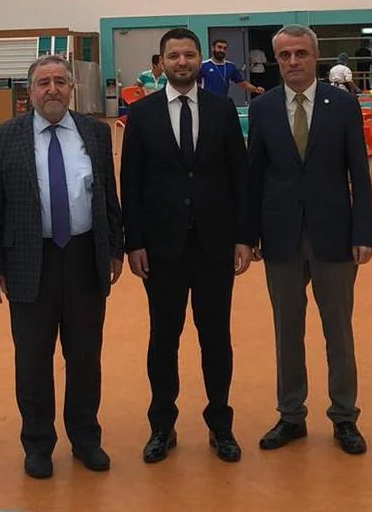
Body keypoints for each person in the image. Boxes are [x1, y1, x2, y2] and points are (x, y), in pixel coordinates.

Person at [0, 54, 124, 479]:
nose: (52, 89)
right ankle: (38, 444)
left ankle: (86, 438)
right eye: (43, 83)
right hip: (29, 260)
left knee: (85, 356)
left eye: (60, 81)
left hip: (84, 256)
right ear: (30, 92)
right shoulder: (4, 137)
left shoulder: (95, 134)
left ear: (72, 89)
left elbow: (108, 196)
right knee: (32, 359)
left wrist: (114, 249)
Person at [120, 28, 252, 464]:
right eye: (173, 56)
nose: (182, 62)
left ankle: (220, 425)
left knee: (216, 338)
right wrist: (134, 241)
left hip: (215, 245)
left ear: (200, 60)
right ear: (161, 62)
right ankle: (162, 426)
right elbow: (130, 183)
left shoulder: (222, 109)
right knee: (163, 339)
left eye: (189, 55)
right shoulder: (141, 114)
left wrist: (244, 236)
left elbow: (239, 176)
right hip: (162, 249)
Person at [248, 24, 372, 455]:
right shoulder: (263, 107)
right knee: (287, 330)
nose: (293, 62)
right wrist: (249, 234)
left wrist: (364, 232)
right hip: (280, 235)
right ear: (276, 60)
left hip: (334, 234)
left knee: (338, 330)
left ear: (315, 57)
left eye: (300, 53)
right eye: (284, 55)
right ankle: (291, 415)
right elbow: (253, 175)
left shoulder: (342, 105)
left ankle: (344, 416)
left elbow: (359, 172)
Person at [199, 38, 265, 97]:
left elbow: (242, 83)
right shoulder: (203, 65)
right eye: (219, 47)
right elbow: (195, 83)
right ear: (213, 48)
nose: (222, 50)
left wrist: (255, 89)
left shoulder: (231, 66)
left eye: (224, 48)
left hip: (223, 100)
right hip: (206, 100)